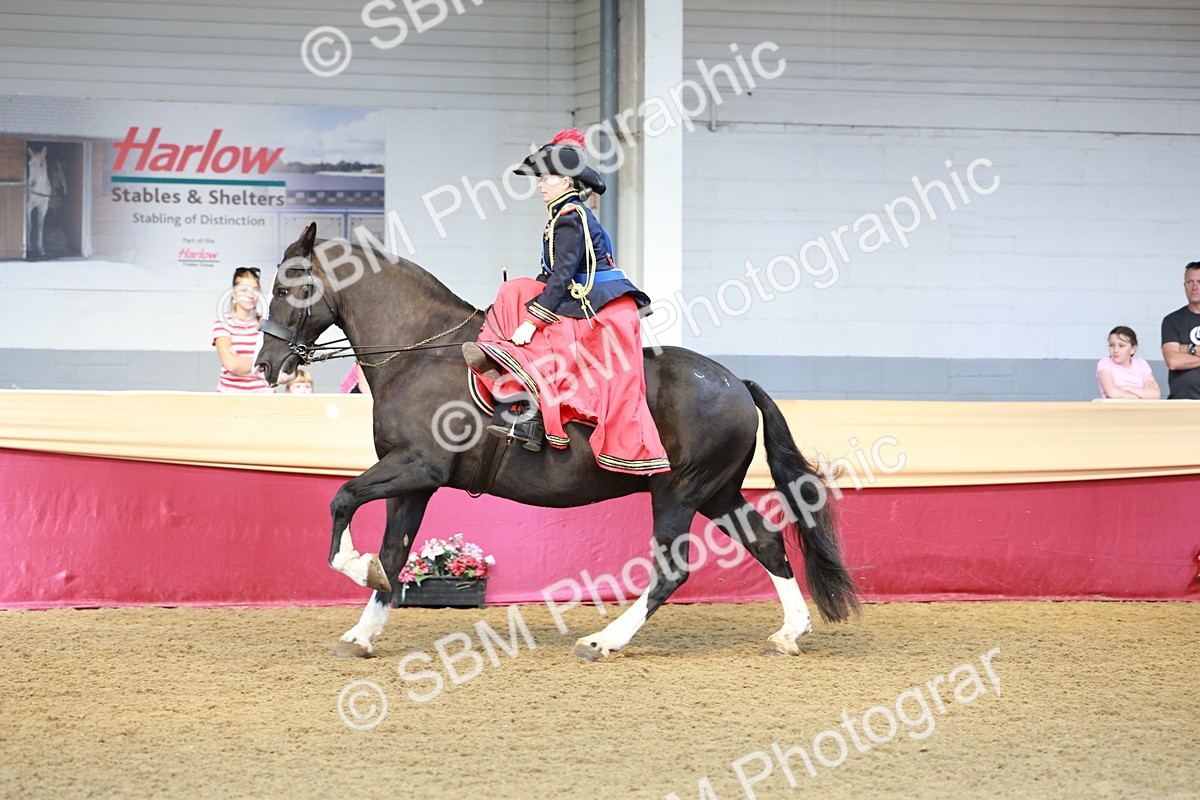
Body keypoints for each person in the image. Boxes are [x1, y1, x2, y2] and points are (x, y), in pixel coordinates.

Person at [462, 128, 670, 475]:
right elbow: (552, 276)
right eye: (541, 177)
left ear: (570, 183)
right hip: (585, 297)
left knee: (538, 333)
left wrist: (531, 322)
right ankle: (516, 394)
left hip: (602, 308)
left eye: (550, 177)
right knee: (515, 290)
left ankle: (527, 415)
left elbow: (561, 278)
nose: (541, 184)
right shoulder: (561, 215)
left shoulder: (571, 219)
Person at [212, 267, 272, 394]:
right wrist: (262, 363)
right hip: (229, 397)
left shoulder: (267, 324)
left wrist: (243, 363)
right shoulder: (223, 323)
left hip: (263, 398)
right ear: (234, 293)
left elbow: (273, 364)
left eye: (255, 290)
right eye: (244, 290)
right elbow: (232, 364)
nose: (251, 295)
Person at [1160, 260, 1200, 399]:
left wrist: (1183, 349)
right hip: (1181, 402)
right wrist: (1194, 349)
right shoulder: (1172, 320)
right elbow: (1173, 362)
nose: (1195, 287)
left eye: (1199, 281)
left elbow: (1177, 356)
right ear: (1184, 286)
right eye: (1190, 282)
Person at [1096, 326, 1159, 399]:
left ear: (1133, 349)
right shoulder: (1105, 363)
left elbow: (1155, 394)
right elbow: (1112, 393)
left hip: (1140, 410)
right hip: (1115, 409)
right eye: (1111, 345)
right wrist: (1141, 395)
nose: (1115, 350)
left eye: (1121, 346)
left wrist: (1125, 387)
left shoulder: (1141, 364)